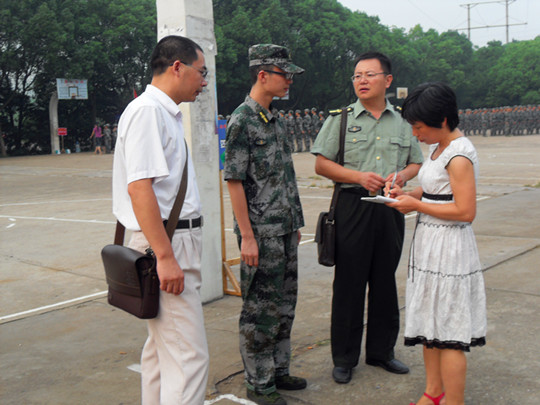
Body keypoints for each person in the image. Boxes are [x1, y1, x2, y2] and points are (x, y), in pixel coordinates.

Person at [311, 51, 424, 384]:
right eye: (357, 75)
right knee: (349, 284)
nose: (361, 80)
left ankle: (381, 352)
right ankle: (344, 358)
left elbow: (416, 161)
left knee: (385, 282)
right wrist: (358, 176)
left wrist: (402, 176)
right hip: (352, 206)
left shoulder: (403, 120)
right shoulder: (341, 119)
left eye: (369, 74)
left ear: (387, 81)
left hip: (389, 208)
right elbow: (320, 163)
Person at [112, 35, 209, 404]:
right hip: (167, 245)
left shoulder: (160, 111)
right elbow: (140, 189)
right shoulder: (149, 112)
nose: (203, 82)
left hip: (169, 242)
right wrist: (165, 257)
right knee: (189, 357)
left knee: (161, 350)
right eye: (201, 72)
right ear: (177, 67)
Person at [386, 82, 487, 405]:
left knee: (451, 333)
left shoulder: (459, 156)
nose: (415, 134)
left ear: (442, 120)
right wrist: (407, 193)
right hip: (430, 244)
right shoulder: (438, 148)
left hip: (451, 249)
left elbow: (465, 211)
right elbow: (433, 192)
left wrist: (415, 206)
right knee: (430, 324)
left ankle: (453, 401)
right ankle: (433, 393)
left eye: (418, 126)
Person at [224, 44, 306, 405]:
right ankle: (258, 384)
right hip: (261, 236)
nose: (289, 80)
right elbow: (235, 181)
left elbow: (283, 178)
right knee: (260, 311)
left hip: (285, 230)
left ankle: (277, 371)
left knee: (285, 306)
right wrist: (246, 236)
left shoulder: (276, 120)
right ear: (262, 75)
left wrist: (294, 222)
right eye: (283, 74)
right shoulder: (241, 120)